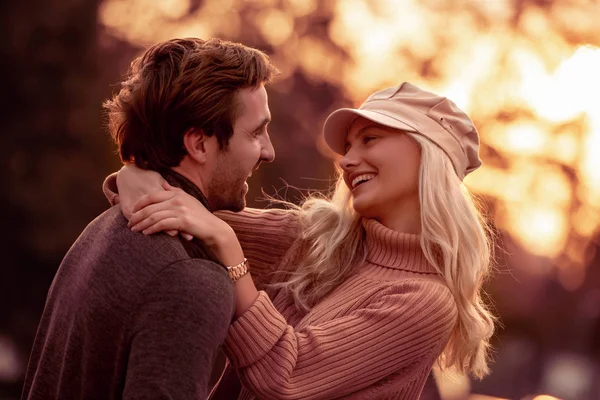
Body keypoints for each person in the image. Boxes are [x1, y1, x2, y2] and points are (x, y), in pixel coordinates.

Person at [107, 82, 496, 399]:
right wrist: (131, 175)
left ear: (427, 154)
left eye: (370, 139)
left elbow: (286, 377)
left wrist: (229, 251)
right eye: (347, 148)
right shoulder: (319, 239)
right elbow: (181, 204)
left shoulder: (423, 300)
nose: (345, 160)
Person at [22, 37, 278, 400]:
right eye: (255, 133)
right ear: (199, 144)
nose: (269, 151)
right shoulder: (189, 279)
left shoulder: (99, 232)